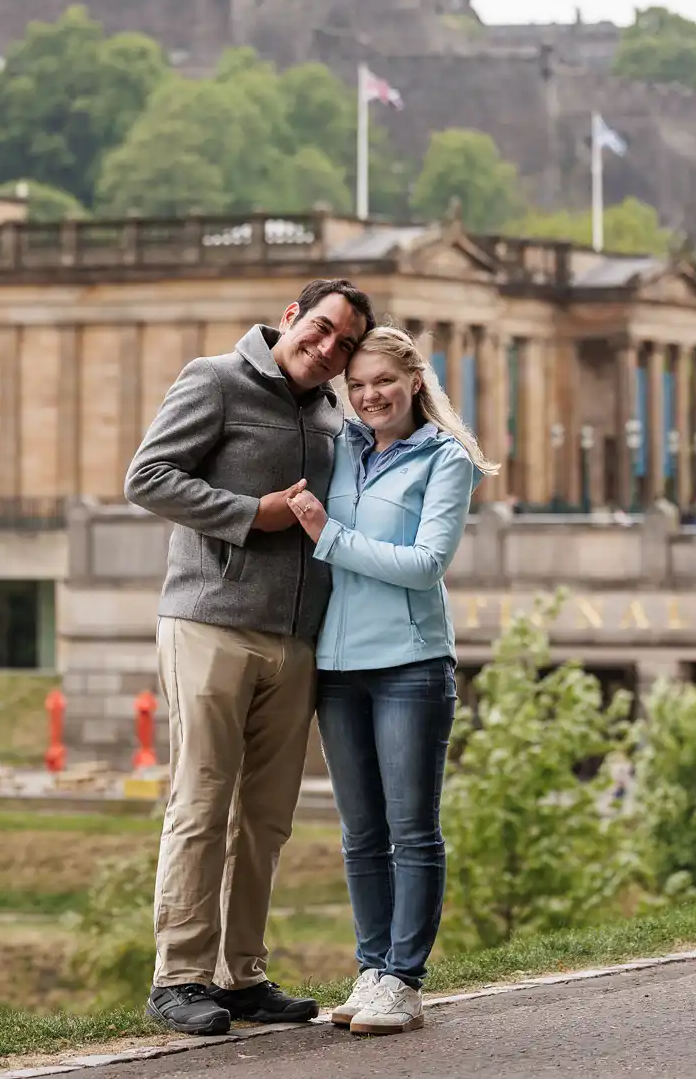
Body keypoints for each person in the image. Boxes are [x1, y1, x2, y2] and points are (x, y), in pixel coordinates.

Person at [124, 278, 375, 1036]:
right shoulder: (215, 379)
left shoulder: (333, 413)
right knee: (201, 801)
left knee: (265, 817)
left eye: (345, 344)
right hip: (211, 622)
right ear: (292, 317)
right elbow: (147, 477)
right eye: (322, 329)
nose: (328, 349)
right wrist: (250, 515)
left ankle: (241, 974)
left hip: (297, 637)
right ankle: (179, 977)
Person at [285, 324, 496, 1037]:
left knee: (412, 829)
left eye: (384, 380)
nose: (370, 395)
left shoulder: (447, 459)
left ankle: (404, 978)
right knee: (361, 832)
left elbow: (425, 563)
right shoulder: (340, 446)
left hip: (409, 664)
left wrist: (329, 536)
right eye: (358, 384)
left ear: (415, 381)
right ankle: (372, 966)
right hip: (338, 669)